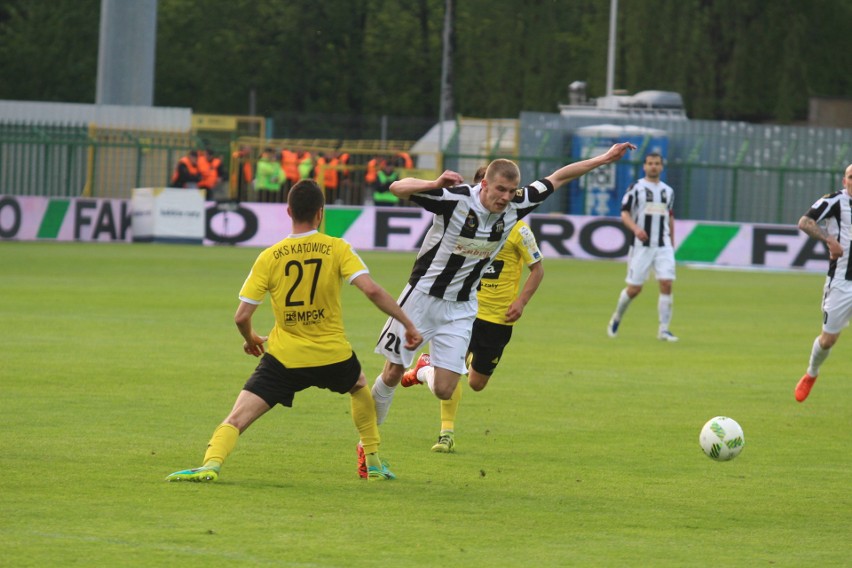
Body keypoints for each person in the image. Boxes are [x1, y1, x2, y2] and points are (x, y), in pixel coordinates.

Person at [369, 142, 635, 444]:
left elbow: (559, 177)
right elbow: (397, 187)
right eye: (500, 190)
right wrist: (433, 183)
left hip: (462, 307)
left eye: (512, 191)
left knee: (445, 388)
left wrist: (604, 158)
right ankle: (369, 446)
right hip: (422, 298)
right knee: (392, 372)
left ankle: (423, 370)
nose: (506, 197)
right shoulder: (455, 199)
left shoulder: (517, 205)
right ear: (484, 184)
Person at [165, 179, 423, 483]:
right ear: (320, 213)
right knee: (358, 386)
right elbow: (371, 290)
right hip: (332, 355)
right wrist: (407, 323)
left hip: (284, 358)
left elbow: (241, 316)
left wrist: (251, 339)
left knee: (238, 416)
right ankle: (374, 460)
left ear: (289, 211)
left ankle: (211, 463)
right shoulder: (337, 248)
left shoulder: (269, 257)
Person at [399, 165, 545, 452]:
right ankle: (446, 433)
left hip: (499, 318)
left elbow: (537, 269)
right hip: (465, 310)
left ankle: (425, 369)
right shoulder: (463, 220)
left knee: (477, 382)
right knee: (451, 373)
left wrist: (521, 302)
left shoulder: (518, 229)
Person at [793, 163, 852, 402]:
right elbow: (805, 222)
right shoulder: (835, 202)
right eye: (851, 176)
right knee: (828, 340)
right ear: (844, 180)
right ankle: (811, 373)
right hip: (841, 282)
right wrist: (829, 240)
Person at [606, 152, 678, 342]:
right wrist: (636, 229)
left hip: (663, 245)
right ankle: (617, 317)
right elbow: (624, 213)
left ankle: (664, 329)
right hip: (641, 246)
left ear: (661, 167)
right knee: (634, 289)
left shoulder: (668, 191)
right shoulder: (636, 188)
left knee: (667, 283)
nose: (653, 166)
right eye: (650, 163)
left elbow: (669, 216)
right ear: (644, 166)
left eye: (657, 163)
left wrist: (672, 241)